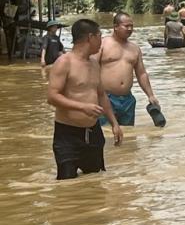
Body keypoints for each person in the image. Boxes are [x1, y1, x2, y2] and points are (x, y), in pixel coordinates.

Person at [47, 19, 122, 180]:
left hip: (93, 133)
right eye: (100, 36)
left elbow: (101, 95)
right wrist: (82, 107)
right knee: (67, 186)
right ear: (90, 37)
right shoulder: (64, 62)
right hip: (67, 135)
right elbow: (52, 97)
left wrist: (114, 123)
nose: (102, 41)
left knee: (95, 182)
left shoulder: (94, 63)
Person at [97, 12, 161, 126]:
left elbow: (141, 74)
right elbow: (90, 68)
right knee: (106, 134)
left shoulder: (134, 48)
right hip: (106, 97)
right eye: (126, 26)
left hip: (127, 100)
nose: (130, 29)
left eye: (131, 26)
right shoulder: (102, 44)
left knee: (128, 136)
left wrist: (150, 95)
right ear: (116, 27)